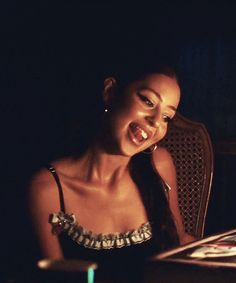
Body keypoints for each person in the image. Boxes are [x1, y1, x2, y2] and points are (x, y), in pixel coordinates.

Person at [28, 59, 195, 280]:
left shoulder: (159, 164)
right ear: (111, 92)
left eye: (166, 117)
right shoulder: (47, 189)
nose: (155, 121)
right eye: (147, 100)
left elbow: (180, 243)